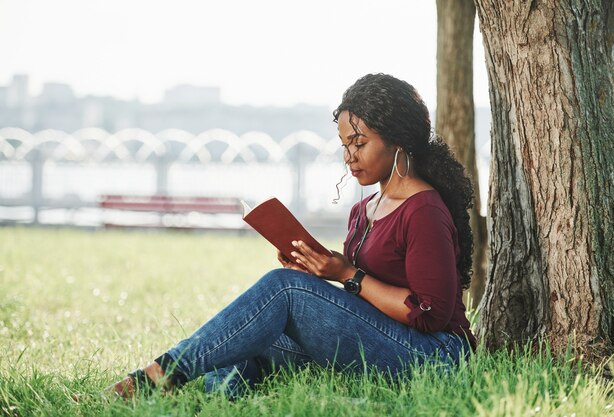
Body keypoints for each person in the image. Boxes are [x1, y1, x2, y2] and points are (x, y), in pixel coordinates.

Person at [105, 73, 477, 399]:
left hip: (435, 356)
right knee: (255, 331)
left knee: (283, 290)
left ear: (396, 139)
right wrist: (314, 272)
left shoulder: (423, 209)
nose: (349, 156)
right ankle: (213, 397)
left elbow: (430, 312)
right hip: (383, 339)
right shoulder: (363, 211)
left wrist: (347, 275)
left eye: (359, 143)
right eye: (345, 144)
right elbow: (362, 299)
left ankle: (156, 377)